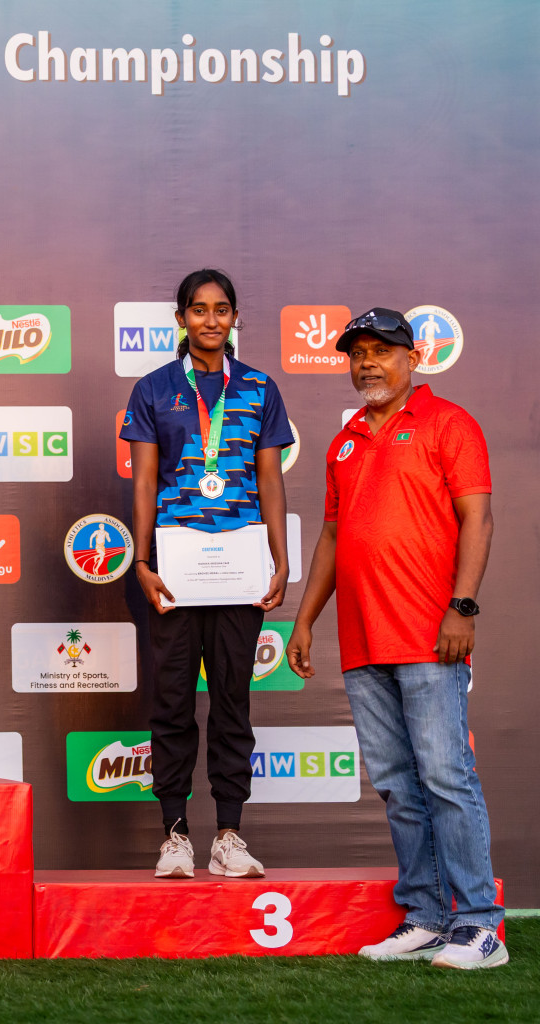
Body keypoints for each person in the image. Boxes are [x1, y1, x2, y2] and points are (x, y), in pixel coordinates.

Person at [286, 308, 504, 969]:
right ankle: (428, 916)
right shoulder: (344, 439)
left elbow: (479, 519)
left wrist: (461, 608)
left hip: (429, 634)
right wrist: (303, 618)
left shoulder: (449, 423)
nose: (367, 363)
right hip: (362, 641)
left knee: (444, 776)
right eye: (357, 354)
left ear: (414, 359)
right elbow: (330, 536)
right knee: (395, 782)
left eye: (382, 351)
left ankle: (480, 928)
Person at [120, 269, 291, 879]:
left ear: (235, 317)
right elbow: (143, 480)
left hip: (241, 566)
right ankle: (173, 836)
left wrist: (280, 555)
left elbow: (269, 479)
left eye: (221, 309)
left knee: (231, 700)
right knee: (170, 701)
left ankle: (227, 835)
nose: (210, 320)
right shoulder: (154, 388)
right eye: (198, 309)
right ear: (181, 319)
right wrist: (141, 560)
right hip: (176, 567)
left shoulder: (260, 388)